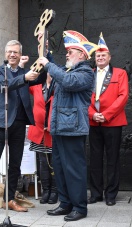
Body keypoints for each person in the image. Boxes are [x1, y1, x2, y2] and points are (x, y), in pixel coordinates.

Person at [0, 40, 47, 218]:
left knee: (15, 164)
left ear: (20, 53)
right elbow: (3, 86)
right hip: (0, 123)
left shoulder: (26, 71)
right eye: (9, 52)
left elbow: (42, 75)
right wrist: (24, 78)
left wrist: (44, 52)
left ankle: (9, 198)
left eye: (15, 52)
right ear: (5, 53)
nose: (12, 55)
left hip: (19, 122)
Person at [37, 30, 97, 221]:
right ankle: (65, 203)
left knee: (74, 169)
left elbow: (67, 80)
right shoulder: (68, 70)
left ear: (82, 55)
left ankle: (80, 207)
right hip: (60, 127)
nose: (68, 54)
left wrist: (48, 64)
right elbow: (58, 70)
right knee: (60, 168)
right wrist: (45, 51)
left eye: (71, 51)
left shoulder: (85, 72)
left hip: (73, 128)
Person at [88, 33, 128, 206]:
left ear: (110, 57)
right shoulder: (88, 74)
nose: (101, 57)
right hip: (93, 122)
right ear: (95, 58)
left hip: (113, 122)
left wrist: (106, 114)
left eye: (104, 55)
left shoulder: (120, 73)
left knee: (112, 159)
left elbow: (123, 96)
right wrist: (92, 114)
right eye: (98, 55)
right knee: (95, 159)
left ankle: (111, 194)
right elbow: (83, 98)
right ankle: (96, 193)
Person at [27, 73, 58, 204]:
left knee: (55, 164)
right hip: (39, 131)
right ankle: (45, 191)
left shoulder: (59, 88)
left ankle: (55, 191)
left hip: (53, 132)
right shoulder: (37, 87)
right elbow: (25, 83)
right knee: (43, 163)